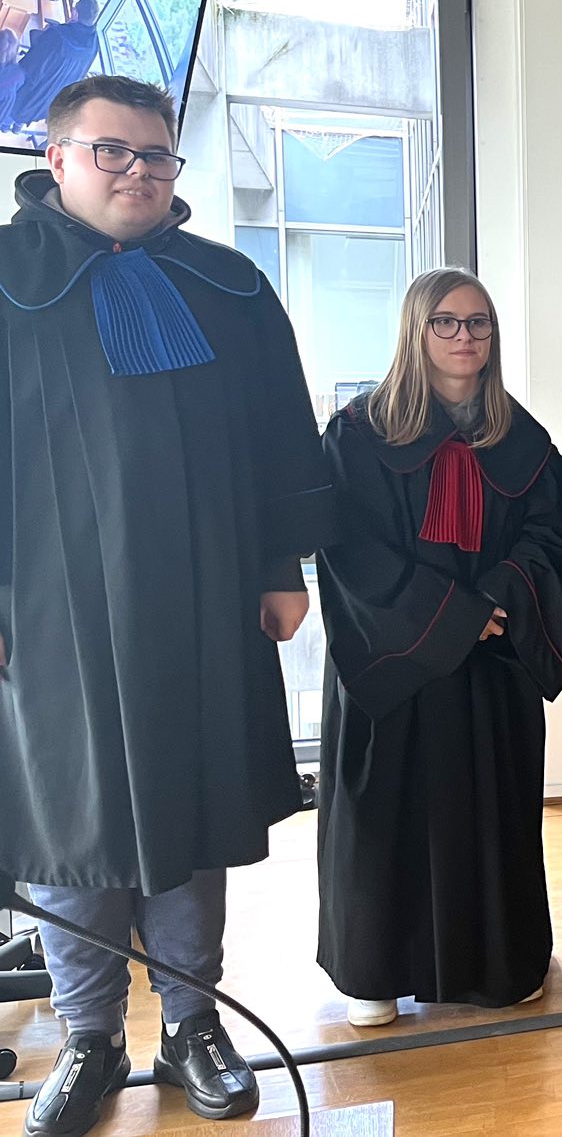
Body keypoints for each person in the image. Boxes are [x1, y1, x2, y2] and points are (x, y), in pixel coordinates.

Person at [0, 75, 332, 1137]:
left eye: (155, 155)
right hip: (46, 615)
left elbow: (279, 434)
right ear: (56, 159)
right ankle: (90, 1035)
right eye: (114, 152)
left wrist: (281, 566)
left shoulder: (227, 285)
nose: (139, 172)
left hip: (202, 596)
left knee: (192, 811)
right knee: (73, 824)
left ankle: (193, 1024)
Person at [315, 269, 562, 1029]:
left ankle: (497, 965)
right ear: (416, 330)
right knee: (384, 817)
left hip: (490, 664)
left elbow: (559, 534)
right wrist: (455, 615)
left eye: (479, 323)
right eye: (446, 322)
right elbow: (350, 551)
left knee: (489, 816)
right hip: (394, 662)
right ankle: (374, 972)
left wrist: (500, 599)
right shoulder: (358, 434)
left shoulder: (521, 439)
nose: (465, 336)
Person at [7, 0, 99, 134]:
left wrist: (45, 34)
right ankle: (17, 127)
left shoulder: (58, 35)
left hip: (37, 86)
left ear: (75, 13)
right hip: (56, 94)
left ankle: (6, 124)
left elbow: (34, 64)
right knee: (30, 109)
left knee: (18, 101)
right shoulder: (94, 43)